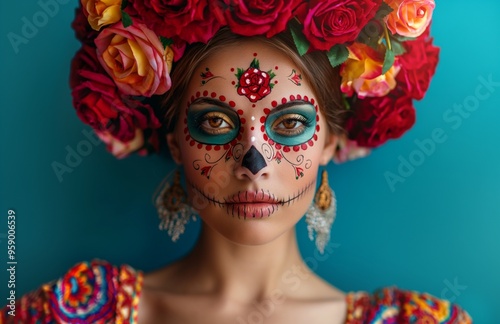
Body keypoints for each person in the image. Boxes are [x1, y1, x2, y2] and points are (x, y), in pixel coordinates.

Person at [1, 0, 472, 323]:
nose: (253, 161)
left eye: (289, 125)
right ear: (176, 141)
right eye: (214, 124)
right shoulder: (68, 314)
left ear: (331, 140)